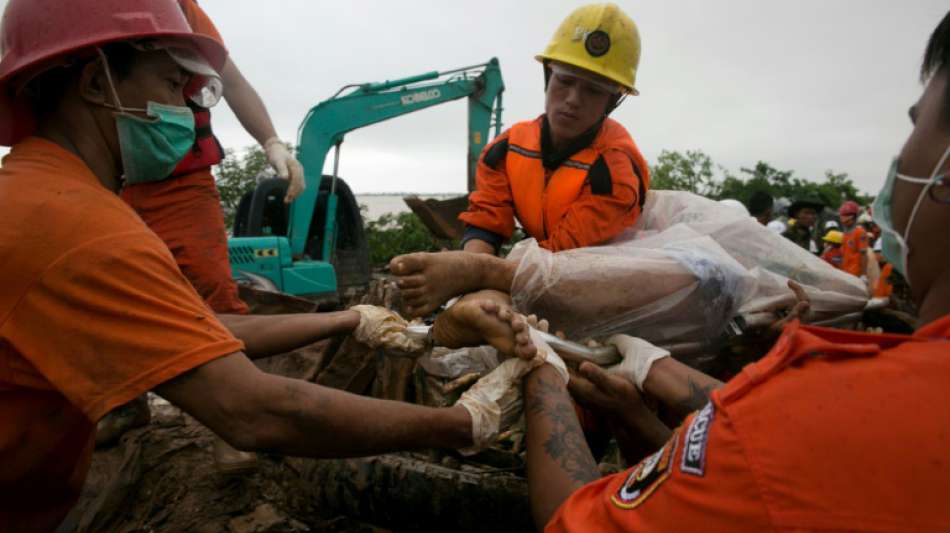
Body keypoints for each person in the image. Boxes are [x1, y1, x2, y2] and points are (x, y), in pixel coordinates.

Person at [0, 1, 524, 529]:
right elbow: (252, 411)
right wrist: (462, 422)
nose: (182, 111)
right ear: (95, 83)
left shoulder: (41, 193)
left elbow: (200, 332)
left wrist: (351, 320)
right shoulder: (80, 229)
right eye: (168, 84)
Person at [517, 11, 950, 530]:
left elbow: (577, 519)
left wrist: (542, 364)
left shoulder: (807, 416)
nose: (570, 100)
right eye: (564, 82)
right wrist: (646, 389)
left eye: (913, 122)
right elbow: (720, 473)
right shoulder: (827, 414)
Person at [392, 3, 650, 317]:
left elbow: (563, 260)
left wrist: (472, 271)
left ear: (612, 101)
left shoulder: (615, 169)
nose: (572, 100)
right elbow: (487, 221)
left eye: (592, 91)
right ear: (548, 76)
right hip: (534, 269)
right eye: (565, 81)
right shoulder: (507, 149)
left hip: (594, 281)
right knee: (477, 304)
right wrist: (467, 268)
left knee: (485, 302)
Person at [121, 0, 303, 316]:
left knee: (214, 300)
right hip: (93, 177)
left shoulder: (179, 8)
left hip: (180, 185)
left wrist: (272, 142)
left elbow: (230, 80)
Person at [838, 200, 870, 278]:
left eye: (848, 219)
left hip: (856, 274)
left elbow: (863, 254)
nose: (845, 222)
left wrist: (863, 274)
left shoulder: (860, 232)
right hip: (845, 272)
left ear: (855, 217)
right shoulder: (845, 234)